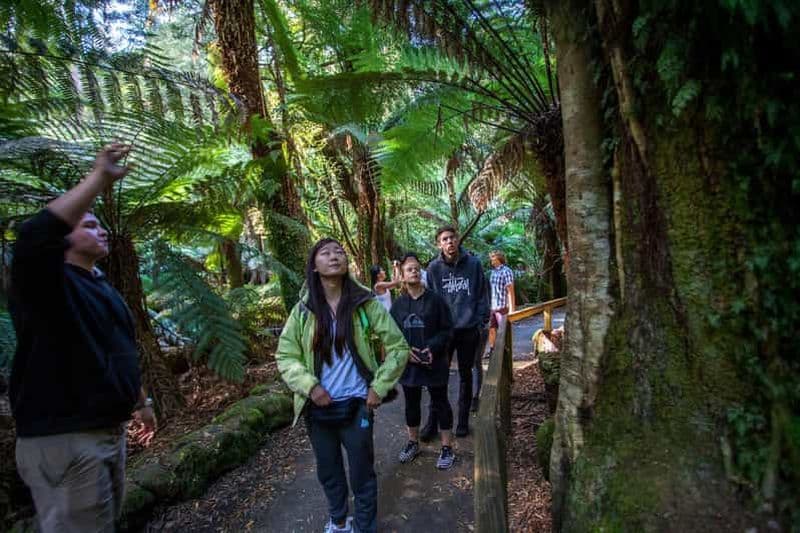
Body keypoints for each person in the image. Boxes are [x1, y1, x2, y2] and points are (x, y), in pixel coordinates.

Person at [9, 144, 156, 533]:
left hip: (106, 431)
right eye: (89, 225)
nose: (102, 230)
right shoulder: (43, 285)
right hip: (66, 438)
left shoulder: (99, 284)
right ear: (62, 239)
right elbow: (33, 236)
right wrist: (98, 179)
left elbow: (119, 350)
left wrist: (142, 403)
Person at [275, 238, 409, 533]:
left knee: (362, 473)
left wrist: (378, 387)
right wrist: (311, 387)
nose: (334, 256)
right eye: (326, 253)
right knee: (329, 471)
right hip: (318, 408)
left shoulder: (364, 305)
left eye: (339, 252)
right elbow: (286, 356)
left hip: (357, 404)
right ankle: (338, 521)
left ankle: (364, 527)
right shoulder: (303, 311)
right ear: (314, 265)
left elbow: (398, 347)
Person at [389, 253, 455, 470]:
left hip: (434, 362)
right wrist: (405, 352)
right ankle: (412, 442)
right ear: (403, 275)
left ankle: (446, 447)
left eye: (417, 268)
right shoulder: (398, 306)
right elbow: (391, 335)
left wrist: (432, 347)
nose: (414, 271)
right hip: (409, 365)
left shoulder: (435, 300)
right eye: (409, 269)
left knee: (440, 402)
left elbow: (447, 329)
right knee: (411, 404)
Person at [422, 226, 489, 439]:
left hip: (468, 329)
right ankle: (433, 422)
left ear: (458, 240)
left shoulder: (474, 264)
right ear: (439, 244)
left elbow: (482, 294)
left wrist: (480, 319)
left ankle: (462, 421)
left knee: (465, 375)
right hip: (444, 331)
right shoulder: (433, 269)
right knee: (437, 376)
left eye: (452, 238)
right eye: (444, 239)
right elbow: (431, 300)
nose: (449, 242)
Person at [471, 250, 516, 412]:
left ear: (499, 258)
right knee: (491, 330)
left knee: (504, 335)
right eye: (490, 258)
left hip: (503, 308)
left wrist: (512, 310)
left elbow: (510, 290)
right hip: (492, 306)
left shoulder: (507, 271)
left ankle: (504, 360)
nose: (491, 260)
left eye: (493, 258)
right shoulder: (491, 273)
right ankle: (492, 350)